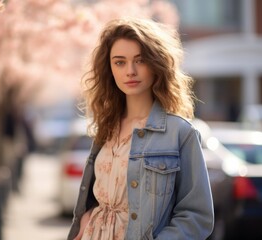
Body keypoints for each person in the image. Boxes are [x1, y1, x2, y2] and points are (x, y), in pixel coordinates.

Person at [67, 17, 214, 240]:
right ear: (110, 69)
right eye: (120, 62)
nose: (130, 71)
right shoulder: (106, 128)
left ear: (156, 64)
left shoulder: (180, 133)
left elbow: (197, 217)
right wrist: (88, 215)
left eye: (140, 60)